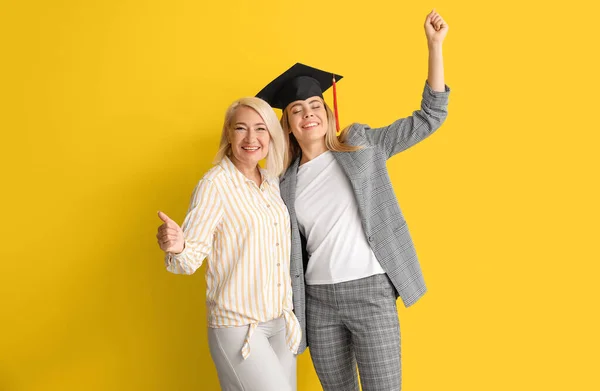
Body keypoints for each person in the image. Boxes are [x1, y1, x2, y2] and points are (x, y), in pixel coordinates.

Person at [255, 10, 450, 391]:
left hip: (371, 292)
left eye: (314, 106)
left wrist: (434, 45)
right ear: (289, 124)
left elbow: (430, 117)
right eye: (297, 110)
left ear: (327, 113)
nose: (307, 114)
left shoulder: (362, 145)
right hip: (319, 302)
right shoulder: (283, 183)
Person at [156, 97, 301, 391]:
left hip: (281, 324)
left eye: (261, 129)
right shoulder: (215, 185)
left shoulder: (272, 182)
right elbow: (190, 259)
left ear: (271, 135)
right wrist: (177, 246)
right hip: (239, 327)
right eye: (241, 129)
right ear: (228, 133)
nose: (251, 138)